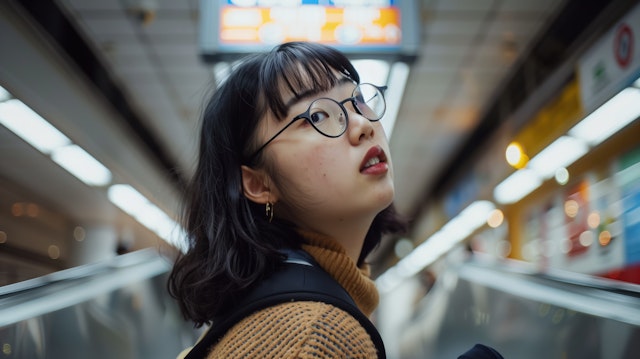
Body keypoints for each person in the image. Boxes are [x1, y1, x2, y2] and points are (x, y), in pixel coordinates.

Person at [168, 41, 406, 358]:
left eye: (358, 100)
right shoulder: (319, 337)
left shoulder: (269, 318)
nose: (362, 125)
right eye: (318, 115)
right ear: (257, 183)